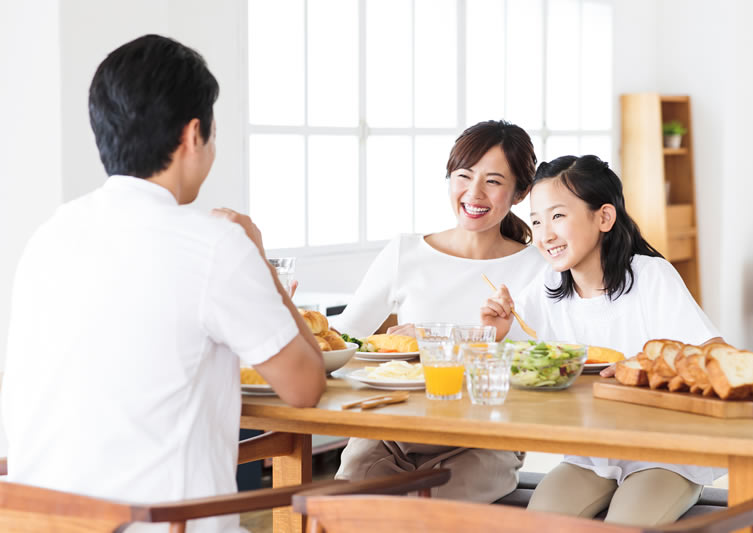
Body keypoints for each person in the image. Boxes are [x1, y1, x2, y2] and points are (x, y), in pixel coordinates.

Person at [1, 34, 325, 533]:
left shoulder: (49, 236)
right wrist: (258, 256)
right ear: (193, 134)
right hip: (162, 526)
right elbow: (305, 386)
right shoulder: (214, 245)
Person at [480, 154, 724, 525]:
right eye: (537, 220)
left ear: (604, 217)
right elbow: (506, 365)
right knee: (537, 524)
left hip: (665, 455)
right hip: (591, 456)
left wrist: (647, 367)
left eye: (558, 216)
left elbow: (715, 354)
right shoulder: (547, 285)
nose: (545, 234)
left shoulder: (651, 276)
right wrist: (495, 334)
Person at [332, 120, 545, 502]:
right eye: (464, 175)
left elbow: (543, 365)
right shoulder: (405, 252)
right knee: (348, 507)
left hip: (486, 440)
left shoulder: (538, 267)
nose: (474, 192)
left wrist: (435, 338)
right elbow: (344, 339)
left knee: (434, 518)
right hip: (392, 431)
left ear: (520, 193)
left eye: (493, 181)